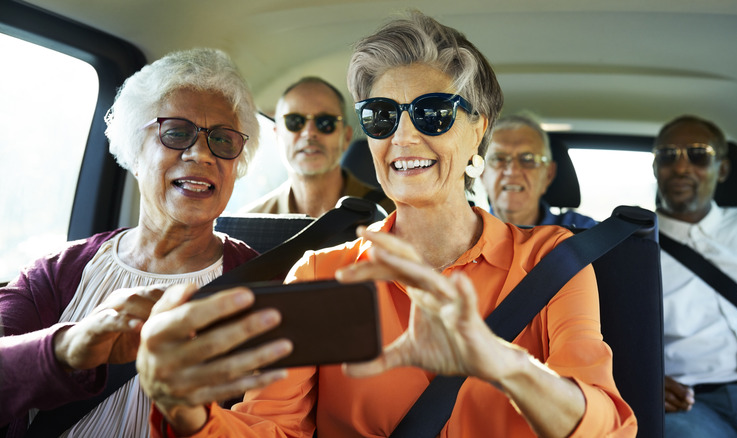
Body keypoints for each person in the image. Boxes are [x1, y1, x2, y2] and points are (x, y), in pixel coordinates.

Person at [137, 11, 637, 437]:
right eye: (381, 115)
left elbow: (610, 428)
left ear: (478, 131)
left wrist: (501, 362)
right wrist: (187, 412)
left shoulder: (553, 261)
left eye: (433, 113)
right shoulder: (321, 274)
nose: (402, 135)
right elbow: (273, 428)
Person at [0, 48, 263, 437]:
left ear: (236, 166)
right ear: (134, 152)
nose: (201, 154)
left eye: (222, 140)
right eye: (176, 132)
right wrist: (68, 348)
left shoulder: (268, 284)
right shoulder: (55, 274)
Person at [654, 115, 737, 437]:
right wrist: (643, 378)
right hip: (691, 405)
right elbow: (615, 339)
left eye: (698, 155)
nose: (681, 168)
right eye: (668, 156)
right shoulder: (633, 248)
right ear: (655, 167)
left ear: (722, 169)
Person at [240, 76, 394, 217]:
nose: (309, 132)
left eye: (325, 122)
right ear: (277, 135)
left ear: (346, 137)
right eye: (294, 121)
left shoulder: (390, 215)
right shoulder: (248, 224)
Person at [480, 112, 597, 227]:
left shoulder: (584, 233)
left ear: (548, 175)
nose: (512, 171)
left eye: (528, 159)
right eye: (499, 159)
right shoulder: (466, 234)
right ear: (482, 174)